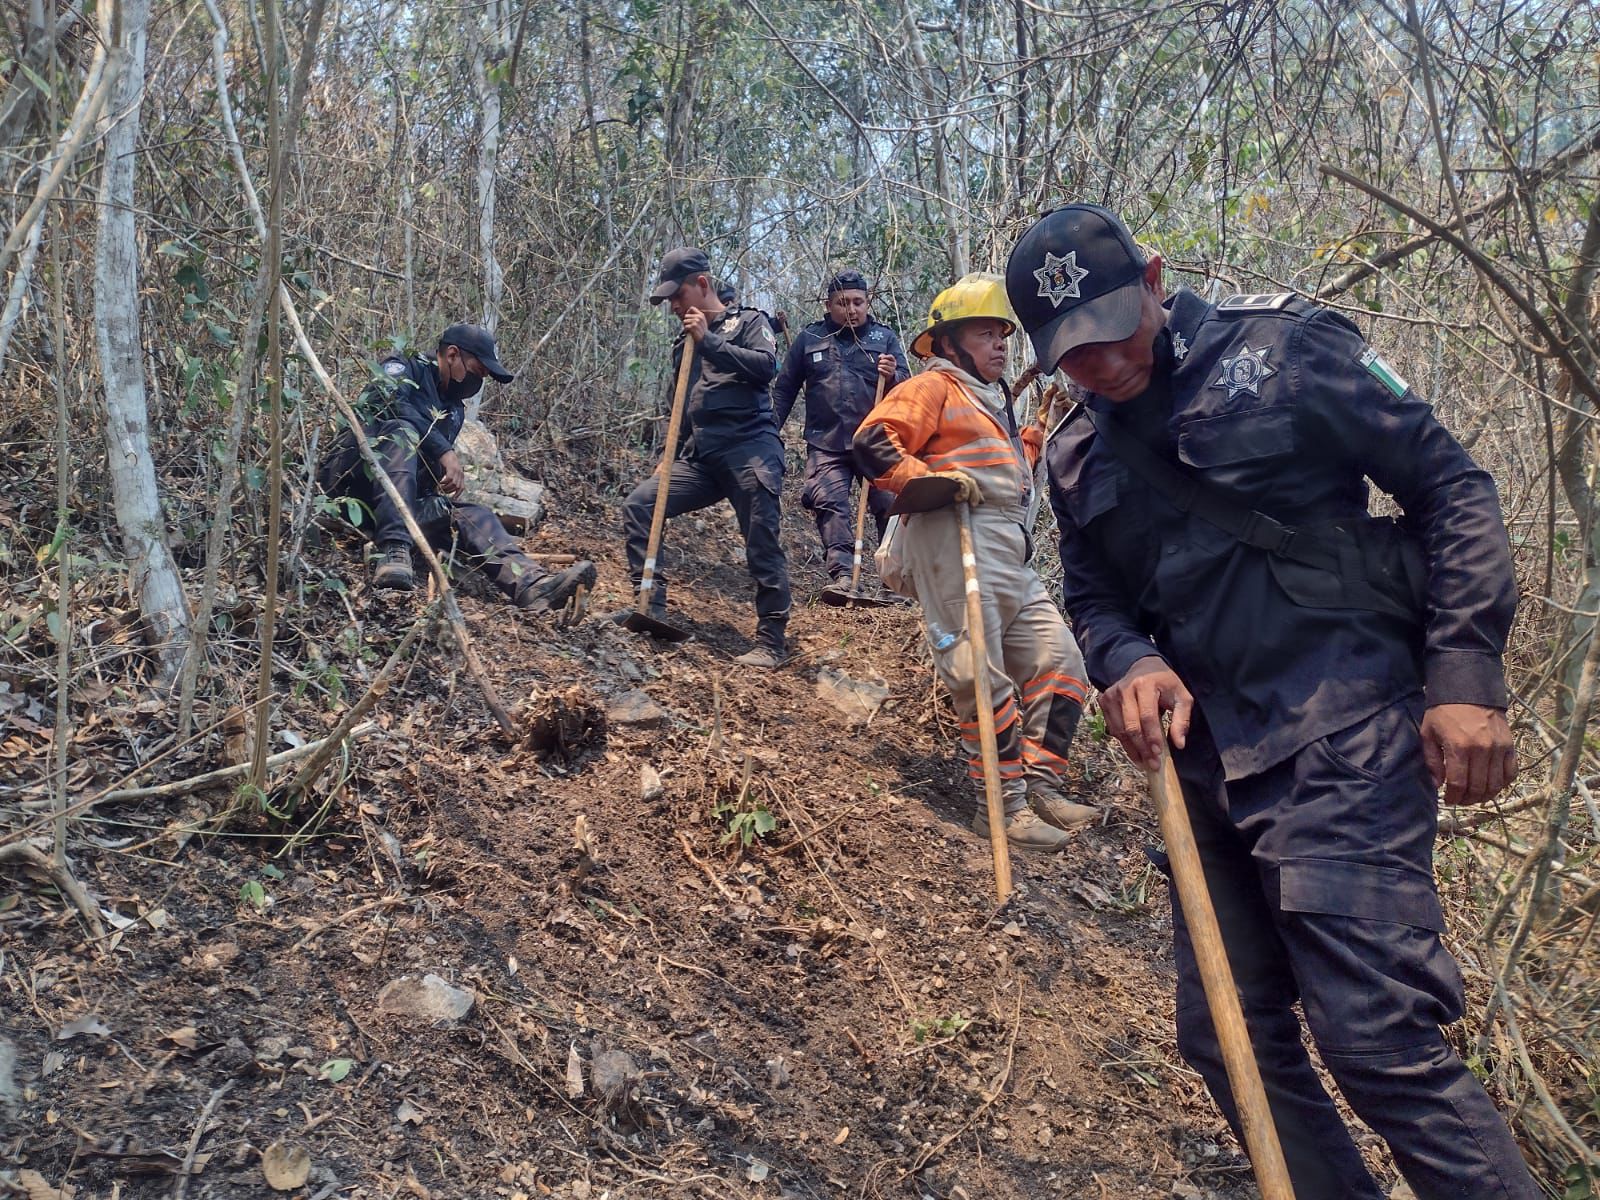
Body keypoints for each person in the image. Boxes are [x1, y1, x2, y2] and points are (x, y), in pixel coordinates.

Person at [1006, 203, 1537, 1198]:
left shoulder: (1284, 351)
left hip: (1343, 728)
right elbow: (1092, 593)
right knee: (1226, 1038)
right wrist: (1124, 660)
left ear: (1154, 281)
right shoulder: (1074, 454)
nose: (1103, 363)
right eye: (1072, 354)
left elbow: (1452, 488)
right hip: (1203, 764)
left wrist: (1464, 673)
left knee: (1376, 1039)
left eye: (1114, 330)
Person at [853, 274, 1097, 850]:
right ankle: (1006, 807)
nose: (1000, 346)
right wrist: (932, 480)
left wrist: (1034, 429)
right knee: (977, 672)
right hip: (954, 532)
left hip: (1009, 545)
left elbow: (1006, 468)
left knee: (1062, 663)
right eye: (986, 334)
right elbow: (872, 442)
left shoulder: (993, 401)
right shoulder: (933, 385)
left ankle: (1042, 784)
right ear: (948, 342)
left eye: (1003, 336)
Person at [318, 323, 596, 611]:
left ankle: (531, 585)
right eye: (477, 372)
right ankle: (394, 552)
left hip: (396, 508)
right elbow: (387, 403)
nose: (478, 383)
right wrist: (444, 450)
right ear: (452, 354)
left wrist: (441, 479)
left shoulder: (453, 410)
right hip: (348, 490)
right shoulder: (403, 366)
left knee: (472, 515)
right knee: (400, 432)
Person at [619, 247, 791, 667]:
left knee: (761, 539)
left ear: (702, 284)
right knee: (641, 504)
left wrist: (708, 340)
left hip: (750, 450)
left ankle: (771, 640)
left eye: (677, 296)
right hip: (701, 458)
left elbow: (764, 368)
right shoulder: (684, 344)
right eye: (668, 301)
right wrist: (669, 454)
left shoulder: (749, 321)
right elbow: (680, 407)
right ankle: (649, 602)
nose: (674, 306)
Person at [770, 270, 909, 596]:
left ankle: (892, 583)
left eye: (858, 302)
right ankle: (844, 576)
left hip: (876, 438)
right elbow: (784, 390)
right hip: (826, 440)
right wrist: (768, 431)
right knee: (829, 502)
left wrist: (892, 376)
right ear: (828, 304)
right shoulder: (810, 339)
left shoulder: (884, 339)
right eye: (843, 303)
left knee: (890, 505)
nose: (852, 310)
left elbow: (908, 385)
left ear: (867, 302)